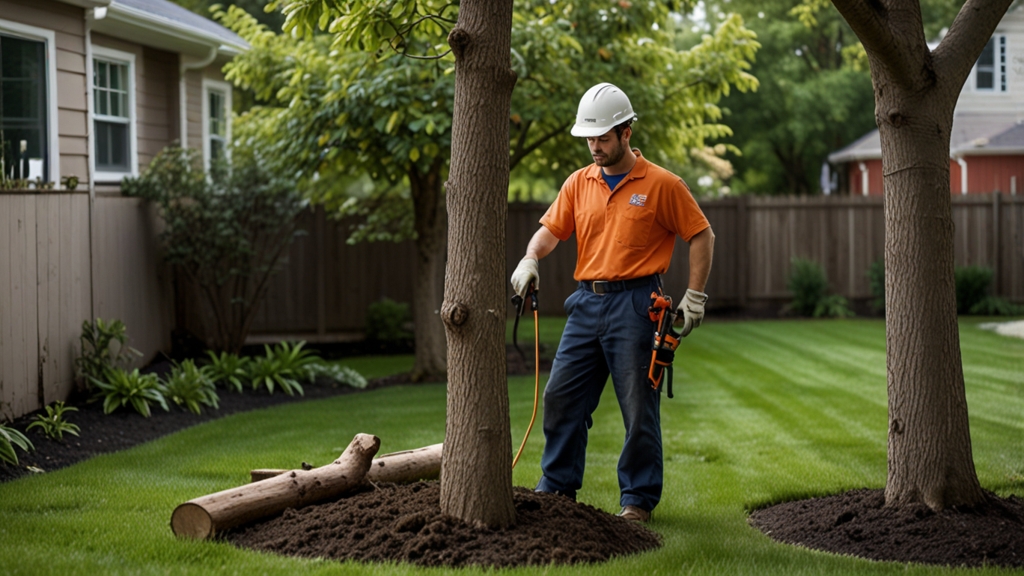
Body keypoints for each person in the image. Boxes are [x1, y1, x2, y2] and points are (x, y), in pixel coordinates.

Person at [510, 82, 715, 523]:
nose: (594, 147)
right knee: (561, 397)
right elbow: (551, 230)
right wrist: (530, 257)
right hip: (585, 304)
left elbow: (701, 234)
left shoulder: (662, 184)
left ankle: (637, 500)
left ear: (625, 133)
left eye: (602, 138)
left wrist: (694, 295)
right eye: (589, 138)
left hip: (638, 306)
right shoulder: (579, 183)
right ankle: (557, 488)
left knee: (639, 407)